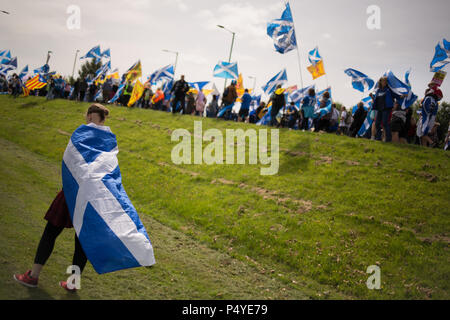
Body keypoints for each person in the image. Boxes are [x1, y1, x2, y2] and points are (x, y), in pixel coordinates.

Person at [13, 104, 111, 293]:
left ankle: (32, 276)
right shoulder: (109, 138)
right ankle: (73, 284)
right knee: (82, 242)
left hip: (74, 190)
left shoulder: (83, 132)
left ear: (90, 116)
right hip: (95, 195)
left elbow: (70, 159)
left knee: (50, 232)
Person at [370, 76, 402, 142]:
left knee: (385, 123)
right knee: (377, 123)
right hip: (379, 109)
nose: (384, 82)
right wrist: (371, 96)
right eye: (383, 81)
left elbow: (396, 95)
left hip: (386, 108)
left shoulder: (389, 90)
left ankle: (388, 139)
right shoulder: (378, 90)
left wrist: (403, 95)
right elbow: (376, 99)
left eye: (385, 81)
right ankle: (378, 138)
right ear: (380, 82)